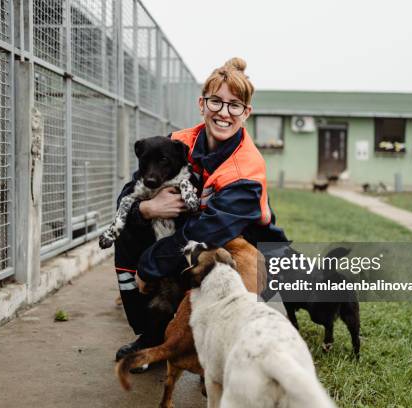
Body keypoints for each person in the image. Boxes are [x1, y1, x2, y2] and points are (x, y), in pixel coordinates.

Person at [112, 57, 288, 363]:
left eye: (234, 105)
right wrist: (147, 208)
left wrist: (149, 265)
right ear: (202, 104)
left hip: (250, 248)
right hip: (195, 238)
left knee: (227, 253)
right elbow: (130, 191)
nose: (223, 112)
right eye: (216, 101)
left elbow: (208, 231)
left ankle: (229, 345)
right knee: (131, 221)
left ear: (246, 113)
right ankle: (151, 332)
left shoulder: (247, 166)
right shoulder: (179, 142)